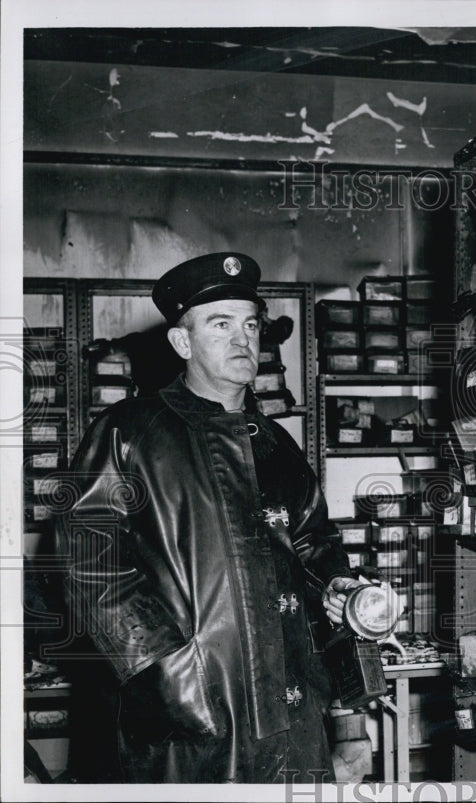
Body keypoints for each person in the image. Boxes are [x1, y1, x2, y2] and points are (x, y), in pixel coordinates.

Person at [55, 253, 364, 783]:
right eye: (220, 325)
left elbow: (316, 546)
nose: (242, 338)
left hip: (296, 714)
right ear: (182, 342)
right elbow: (90, 566)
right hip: (191, 723)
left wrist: (336, 587)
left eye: (250, 324)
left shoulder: (278, 445)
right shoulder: (128, 431)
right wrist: (170, 677)